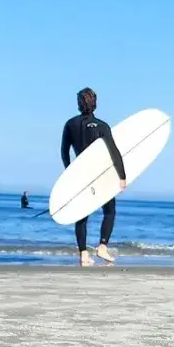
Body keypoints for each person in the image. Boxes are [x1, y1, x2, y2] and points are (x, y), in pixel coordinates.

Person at [61, 87, 127, 267]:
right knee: (109, 211)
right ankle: (102, 246)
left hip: (80, 175)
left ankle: (83, 253)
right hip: (101, 174)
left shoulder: (70, 124)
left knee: (81, 214)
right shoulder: (102, 126)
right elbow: (114, 153)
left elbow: (64, 152)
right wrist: (122, 176)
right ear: (95, 103)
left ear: (78, 104)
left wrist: (69, 172)